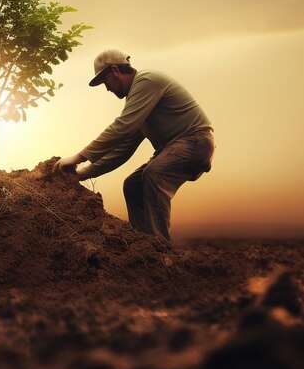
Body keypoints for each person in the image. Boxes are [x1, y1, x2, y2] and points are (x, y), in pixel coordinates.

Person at [52, 49, 214, 243]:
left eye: (105, 82)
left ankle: (160, 250)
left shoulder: (147, 80)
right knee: (133, 186)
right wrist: (83, 174)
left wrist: (79, 157)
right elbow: (122, 150)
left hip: (194, 141)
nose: (107, 89)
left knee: (154, 173)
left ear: (115, 70)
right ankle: (143, 246)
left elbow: (123, 127)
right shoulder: (139, 101)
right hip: (175, 148)